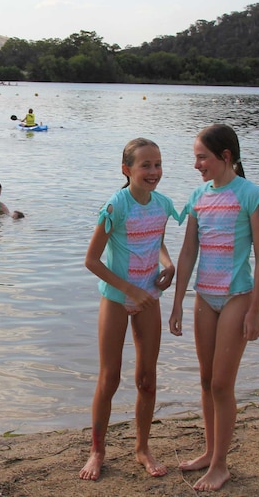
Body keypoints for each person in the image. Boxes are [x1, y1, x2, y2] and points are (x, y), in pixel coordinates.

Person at [168, 123, 259, 492]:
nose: (196, 164)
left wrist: (255, 310)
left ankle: (222, 465)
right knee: (206, 379)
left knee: (223, 384)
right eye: (196, 157)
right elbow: (188, 251)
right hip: (204, 298)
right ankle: (210, 452)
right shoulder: (198, 195)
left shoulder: (250, 195)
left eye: (202, 157)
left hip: (236, 297)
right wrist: (178, 301)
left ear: (225, 157)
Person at [79, 137, 177, 482]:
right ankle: (97, 451)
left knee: (147, 378)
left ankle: (142, 448)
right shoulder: (115, 206)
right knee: (110, 377)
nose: (153, 172)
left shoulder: (162, 204)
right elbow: (92, 260)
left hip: (149, 295)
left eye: (158, 164)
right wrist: (130, 288)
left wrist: (168, 264)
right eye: (145, 165)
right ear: (127, 170)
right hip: (117, 296)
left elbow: (156, 238)